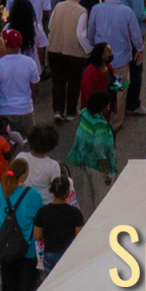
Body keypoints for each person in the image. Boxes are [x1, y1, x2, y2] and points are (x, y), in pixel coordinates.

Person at [0, 155, 44, 291]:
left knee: (9, 280)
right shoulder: (33, 194)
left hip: (5, 246)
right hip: (26, 247)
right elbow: (38, 221)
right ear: (23, 176)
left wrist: (0, 239)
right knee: (28, 281)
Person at [66, 89, 116, 218]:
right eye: (107, 105)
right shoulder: (100, 125)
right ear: (102, 107)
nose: (109, 107)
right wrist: (106, 173)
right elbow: (100, 150)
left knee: (88, 197)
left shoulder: (85, 115)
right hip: (98, 167)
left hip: (85, 162)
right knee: (102, 200)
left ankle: (88, 224)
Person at [32, 172, 84, 273]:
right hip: (68, 253)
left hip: (50, 252)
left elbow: (37, 236)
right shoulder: (75, 212)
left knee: (52, 285)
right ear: (67, 192)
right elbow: (80, 236)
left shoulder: (42, 211)